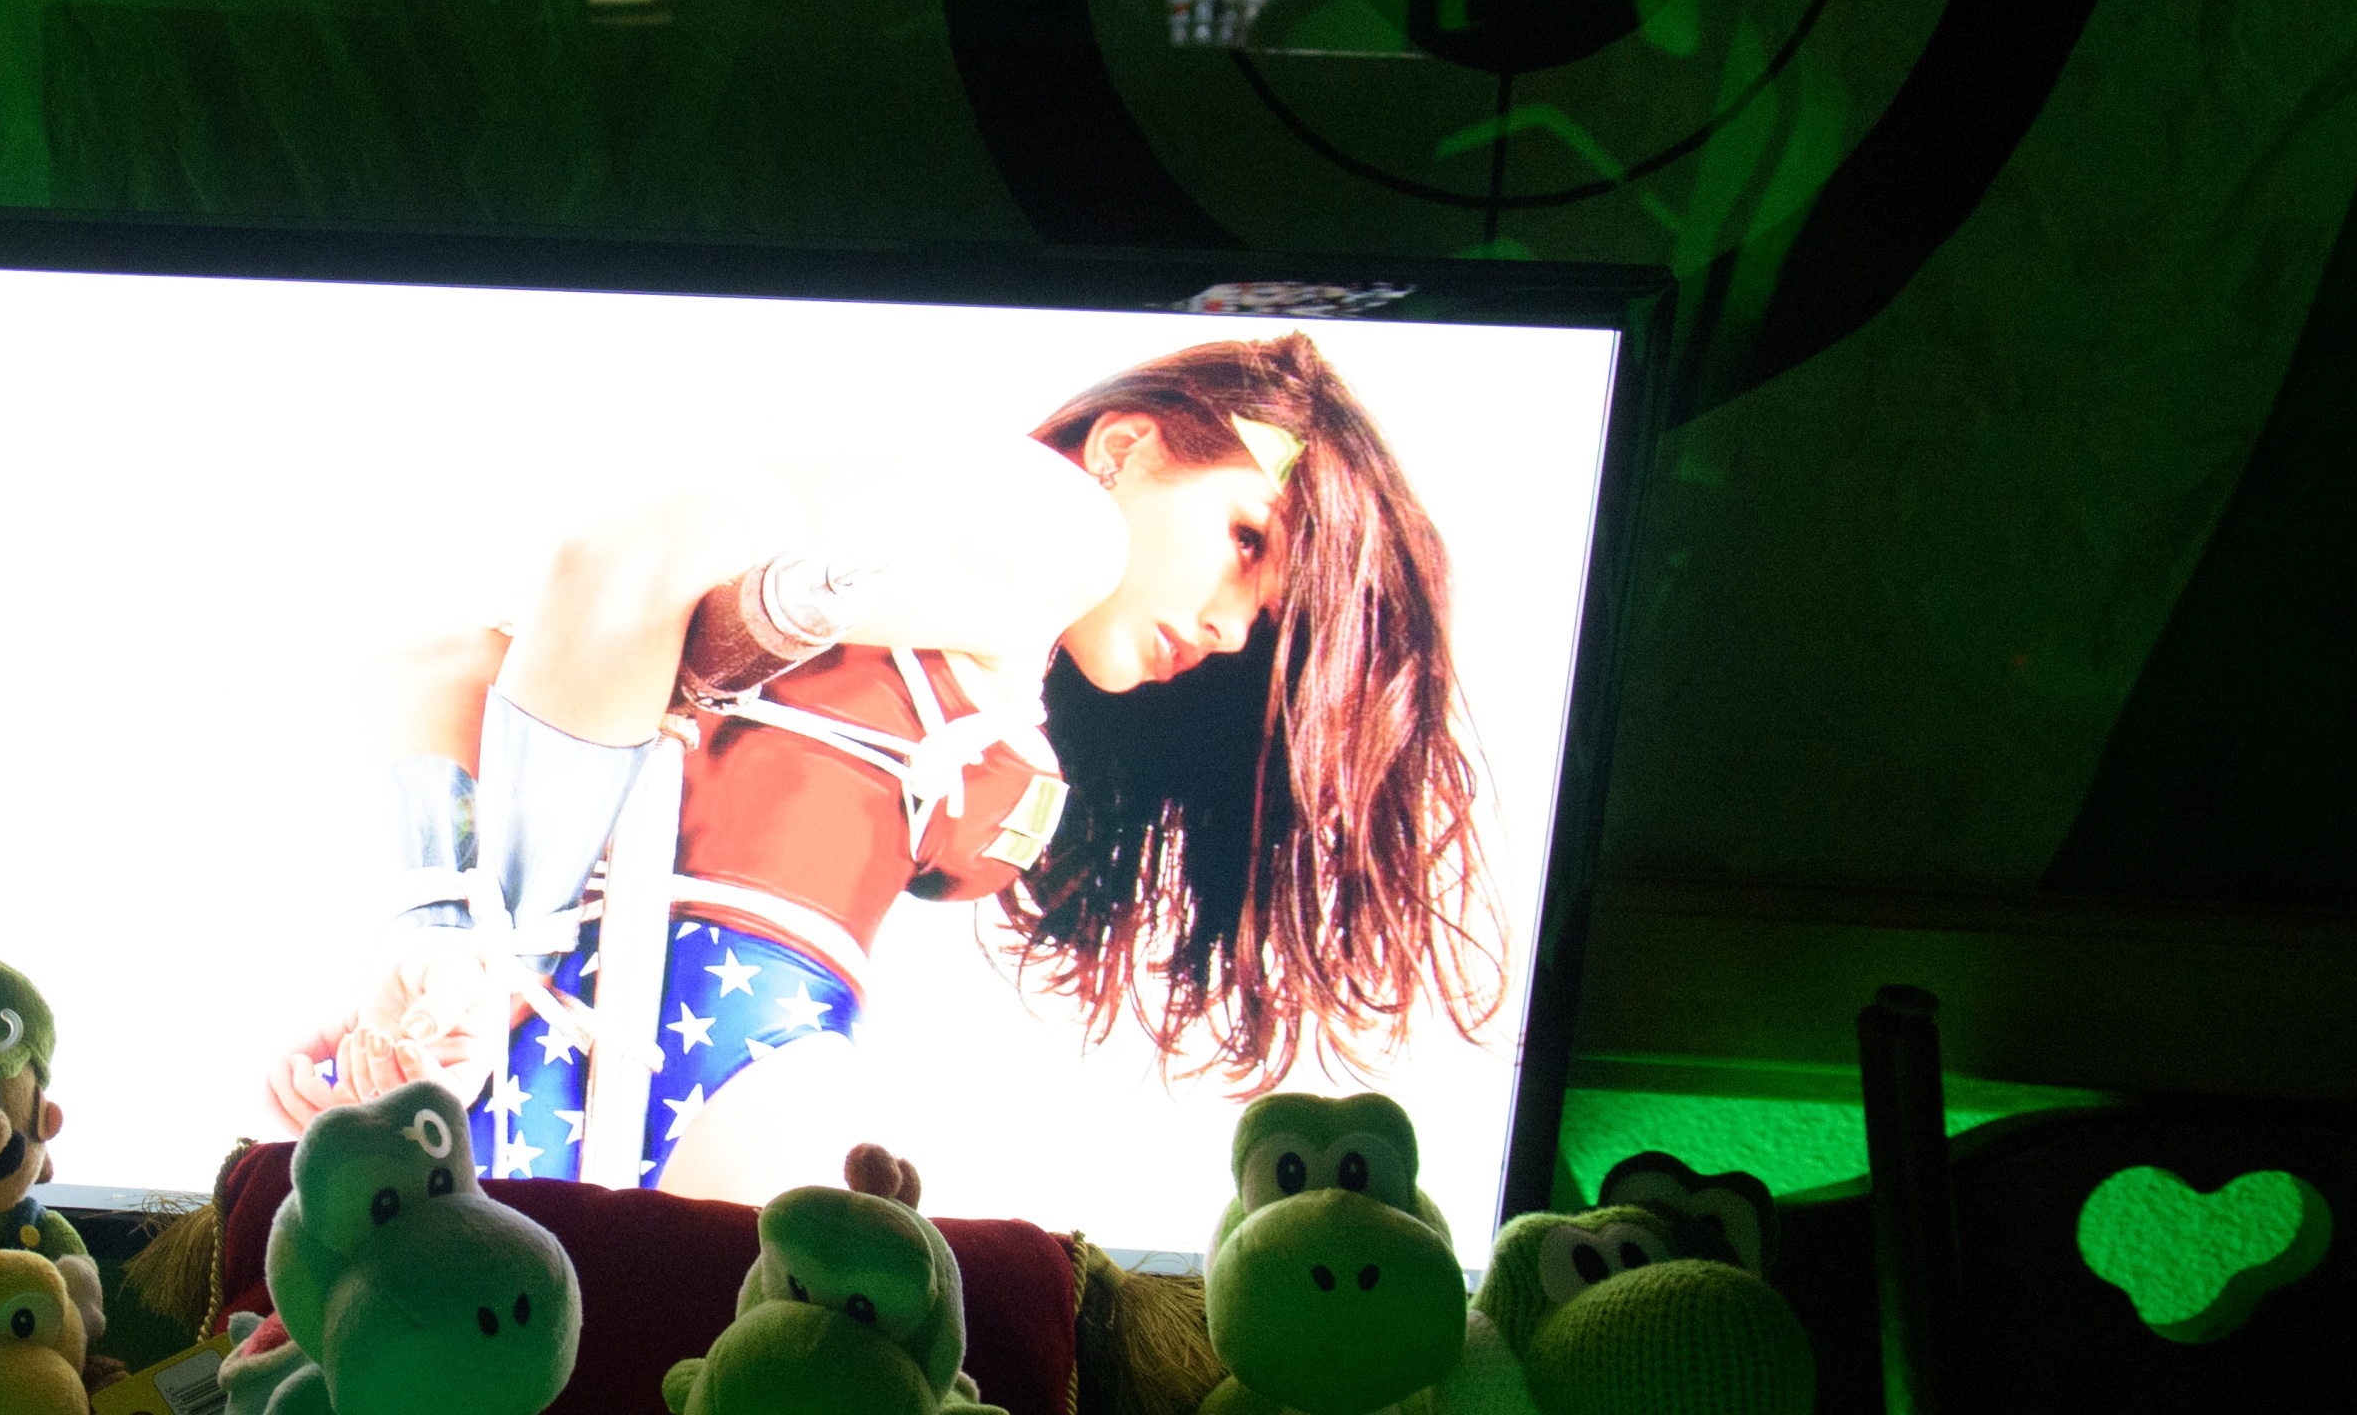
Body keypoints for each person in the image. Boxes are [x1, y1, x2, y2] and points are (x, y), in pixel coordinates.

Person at [266, 331, 1497, 1201]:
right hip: (714, 1053)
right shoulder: (1059, 521)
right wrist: (488, 954)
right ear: (1124, 444)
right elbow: (622, 561)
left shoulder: (979, 631)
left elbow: (449, 664)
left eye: (1265, 622)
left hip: (560, 1057)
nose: (1230, 627)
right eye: (1245, 538)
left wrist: (442, 944)